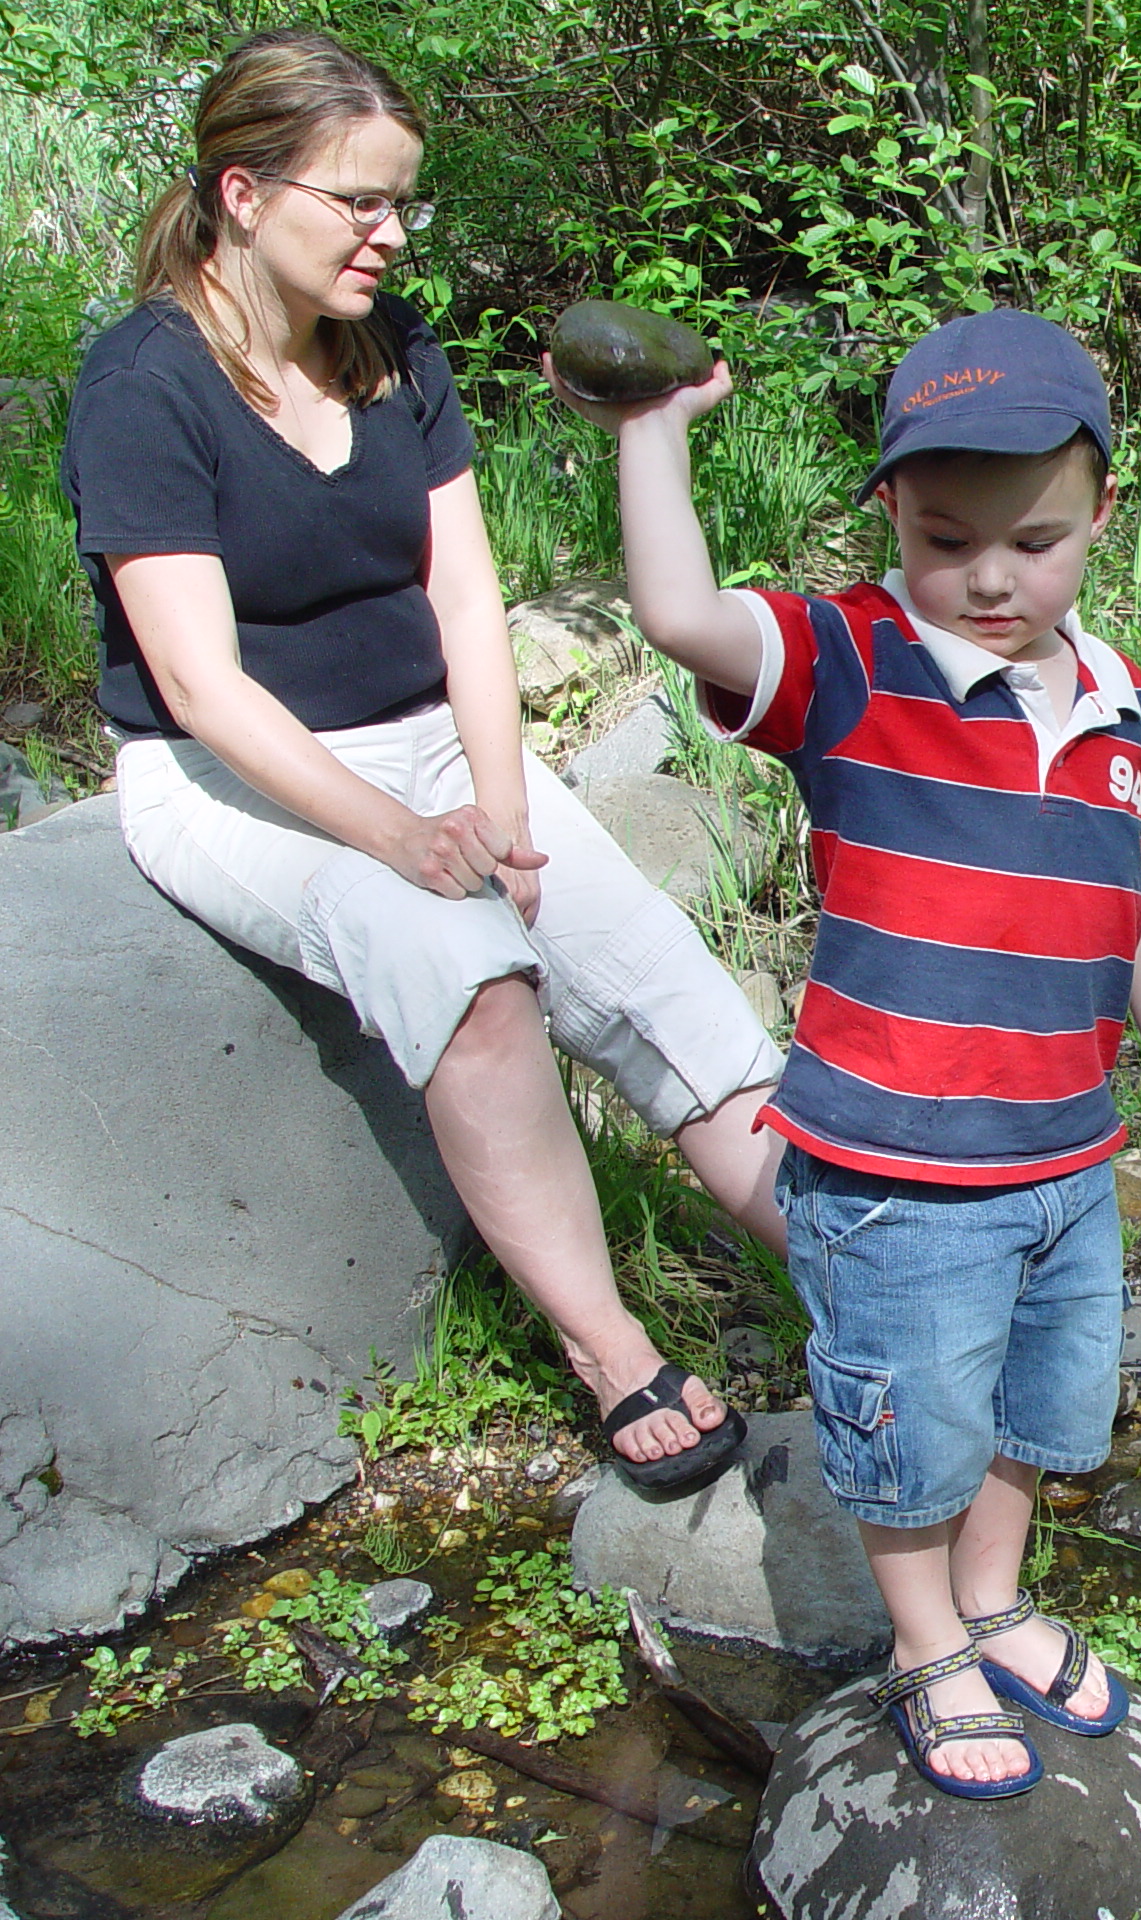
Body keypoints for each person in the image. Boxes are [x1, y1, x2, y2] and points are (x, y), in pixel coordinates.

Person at [57, 28, 786, 1496]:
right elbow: (199, 686)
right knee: (470, 977)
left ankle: (883, 1268)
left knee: (657, 978)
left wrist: (502, 808)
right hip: (239, 777)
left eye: (407, 205)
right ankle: (611, 1352)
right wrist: (408, 841)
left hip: (440, 736)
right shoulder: (144, 383)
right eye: (363, 203)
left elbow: (466, 598)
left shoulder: (396, 348)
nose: (393, 236)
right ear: (245, 194)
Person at [553, 307, 1141, 1800]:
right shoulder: (851, 661)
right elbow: (678, 614)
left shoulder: (1122, 709)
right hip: (896, 1170)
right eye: (946, 538)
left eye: (1035, 541)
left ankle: (993, 1600)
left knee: (1037, 1413)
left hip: (1065, 1157)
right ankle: (924, 1638)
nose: (990, 577)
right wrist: (650, 428)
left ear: (1102, 514)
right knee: (906, 1418)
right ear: (891, 520)